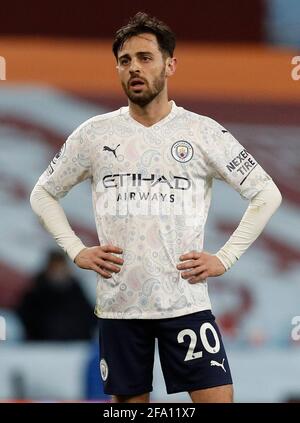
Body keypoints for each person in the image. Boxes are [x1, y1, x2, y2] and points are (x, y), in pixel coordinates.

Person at [30, 12, 282, 402]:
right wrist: (76, 250)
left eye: (145, 57)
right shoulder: (94, 134)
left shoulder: (202, 132)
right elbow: (42, 193)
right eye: (125, 60)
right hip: (120, 308)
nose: (134, 67)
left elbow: (266, 193)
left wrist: (226, 258)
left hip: (184, 302)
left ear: (170, 64)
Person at [17, 250, 97, 341]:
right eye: (55, 268)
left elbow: (89, 315)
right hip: (42, 345)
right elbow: (27, 318)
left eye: (62, 268)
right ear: (48, 269)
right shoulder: (35, 290)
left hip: (74, 344)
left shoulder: (75, 289)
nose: (59, 272)